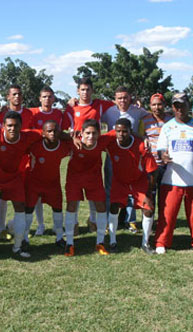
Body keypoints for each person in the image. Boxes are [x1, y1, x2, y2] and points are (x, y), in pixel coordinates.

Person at [0, 111, 42, 260]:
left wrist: (69, 136)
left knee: (21, 208)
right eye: (9, 126)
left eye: (16, 126)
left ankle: (18, 246)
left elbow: (48, 131)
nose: (12, 129)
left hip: (14, 177)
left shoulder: (28, 136)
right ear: (4, 126)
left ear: (21, 126)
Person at [155, 93, 193, 255]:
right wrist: (163, 156)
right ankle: (161, 242)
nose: (179, 109)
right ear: (172, 107)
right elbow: (160, 149)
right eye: (176, 106)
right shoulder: (167, 126)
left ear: (188, 105)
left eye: (182, 105)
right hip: (172, 179)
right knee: (167, 214)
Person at [65, 78, 114, 234]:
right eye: (82, 89)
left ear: (92, 90)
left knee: (95, 189)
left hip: (94, 151)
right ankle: (73, 223)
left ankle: (93, 220)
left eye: (88, 89)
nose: (85, 92)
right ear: (78, 91)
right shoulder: (71, 108)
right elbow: (64, 127)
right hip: (77, 151)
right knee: (75, 191)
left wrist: (135, 103)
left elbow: (119, 105)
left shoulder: (99, 105)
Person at [101, 86, 150, 234]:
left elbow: (151, 116)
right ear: (114, 99)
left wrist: (145, 137)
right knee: (110, 187)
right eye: (119, 98)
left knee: (132, 188)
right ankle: (110, 221)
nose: (122, 100)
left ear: (131, 98)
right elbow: (93, 117)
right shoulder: (109, 112)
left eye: (125, 97)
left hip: (132, 155)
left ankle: (131, 220)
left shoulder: (138, 111)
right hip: (113, 155)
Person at [105, 118, 157, 255]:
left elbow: (152, 171)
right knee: (114, 206)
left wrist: (149, 192)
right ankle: (112, 241)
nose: (121, 134)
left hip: (138, 181)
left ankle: (145, 243)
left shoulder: (141, 145)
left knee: (148, 208)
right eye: (118, 131)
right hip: (119, 181)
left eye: (124, 131)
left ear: (131, 132)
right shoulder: (110, 141)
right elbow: (93, 140)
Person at [64, 120, 113, 256]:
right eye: (88, 133)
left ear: (99, 134)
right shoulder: (74, 143)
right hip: (75, 180)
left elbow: (121, 130)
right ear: (82, 133)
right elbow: (59, 135)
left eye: (94, 133)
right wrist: (72, 137)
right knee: (72, 206)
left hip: (94, 180)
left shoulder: (103, 141)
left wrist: (143, 138)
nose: (91, 136)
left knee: (101, 207)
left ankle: (100, 242)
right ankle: (69, 243)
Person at [0, 85, 34, 239]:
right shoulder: (0, 114)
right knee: (3, 196)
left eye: (19, 94)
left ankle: (19, 227)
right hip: (3, 160)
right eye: (14, 94)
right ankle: (2, 227)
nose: (17, 97)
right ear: (8, 97)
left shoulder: (29, 113)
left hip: (23, 160)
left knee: (22, 196)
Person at [28, 86, 69, 237]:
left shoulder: (58, 113)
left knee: (54, 193)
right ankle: (40, 225)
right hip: (36, 155)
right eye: (44, 96)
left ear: (53, 99)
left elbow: (62, 132)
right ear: (40, 98)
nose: (47, 99)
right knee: (36, 195)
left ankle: (58, 228)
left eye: (50, 96)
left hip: (52, 154)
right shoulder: (33, 112)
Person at [24, 120, 70, 249]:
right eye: (49, 131)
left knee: (57, 209)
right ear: (42, 133)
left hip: (53, 183)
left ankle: (60, 237)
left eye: (55, 131)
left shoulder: (64, 146)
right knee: (29, 209)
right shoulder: (35, 145)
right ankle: (24, 238)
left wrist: (71, 137)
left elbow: (75, 148)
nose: (53, 133)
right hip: (34, 183)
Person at [142, 93, 173, 214]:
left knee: (165, 195)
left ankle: (163, 221)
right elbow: (140, 137)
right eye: (154, 104)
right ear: (150, 106)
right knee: (150, 194)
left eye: (159, 104)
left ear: (164, 105)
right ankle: (149, 221)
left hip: (168, 165)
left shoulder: (171, 121)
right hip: (151, 164)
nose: (156, 107)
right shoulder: (144, 121)